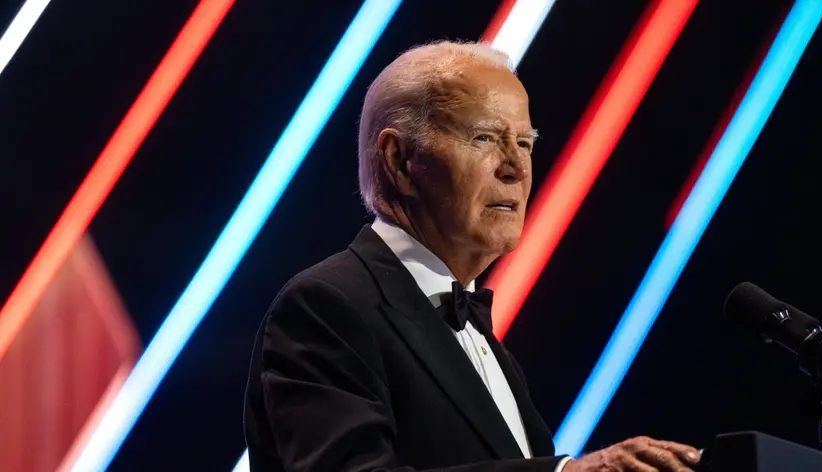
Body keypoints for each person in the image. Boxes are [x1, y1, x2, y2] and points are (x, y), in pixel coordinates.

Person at [244, 40, 701, 472]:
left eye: (524, 143)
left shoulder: (479, 332)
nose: (516, 168)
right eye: (485, 138)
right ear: (399, 159)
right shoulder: (326, 306)